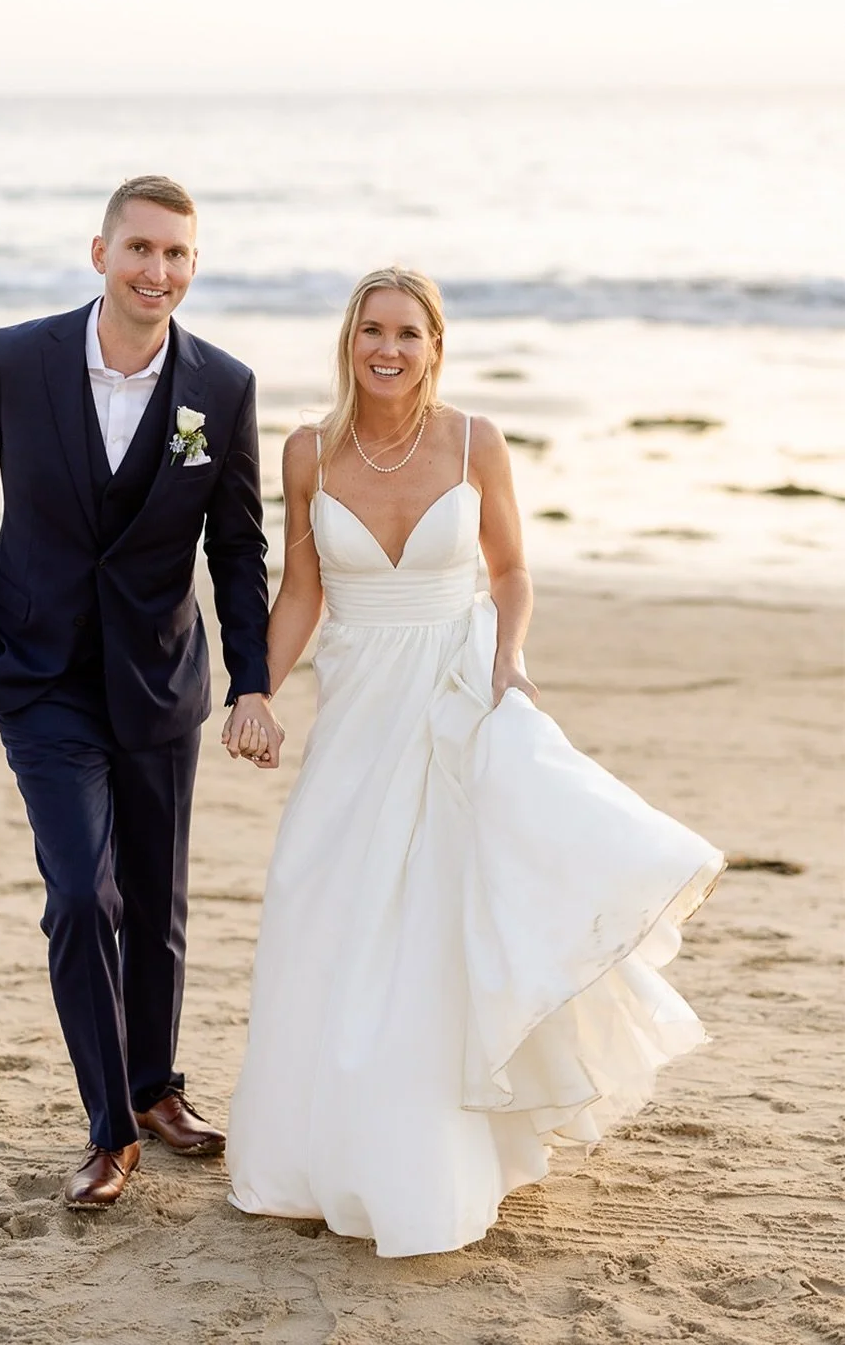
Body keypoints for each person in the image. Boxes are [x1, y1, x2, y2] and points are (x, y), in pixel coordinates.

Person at [225, 267, 724, 1258]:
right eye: (373, 329)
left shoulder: (474, 441)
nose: (389, 348)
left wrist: (510, 662)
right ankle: (309, 1155)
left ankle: (432, 1165)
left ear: (434, 345)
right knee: (320, 903)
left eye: (409, 332)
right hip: (360, 703)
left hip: (456, 695)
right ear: (350, 339)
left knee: (437, 929)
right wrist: (255, 691)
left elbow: (510, 571)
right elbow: (302, 589)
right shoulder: (307, 453)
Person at [0, 175, 282, 1210]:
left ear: (193, 267)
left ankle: (157, 1086)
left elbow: (241, 550)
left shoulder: (225, 387)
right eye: (140, 250)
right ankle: (109, 1126)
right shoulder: (16, 358)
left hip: (160, 678)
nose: (156, 272)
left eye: (176, 255)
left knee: (159, 902)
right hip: (38, 676)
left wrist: (251, 679)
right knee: (85, 893)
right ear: (100, 253)